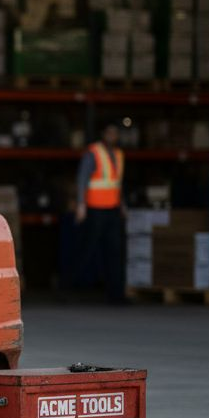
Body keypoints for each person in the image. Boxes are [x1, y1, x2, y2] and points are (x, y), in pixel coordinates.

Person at [71, 123, 127, 303]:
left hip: (112, 210)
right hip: (95, 210)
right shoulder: (93, 153)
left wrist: (122, 205)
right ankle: (71, 288)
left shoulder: (118, 155)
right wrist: (81, 205)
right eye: (109, 133)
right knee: (87, 250)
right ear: (103, 134)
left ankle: (116, 294)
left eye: (115, 133)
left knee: (114, 252)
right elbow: (82, 179)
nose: (113, 136)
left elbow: (117, 183)